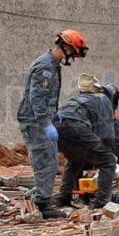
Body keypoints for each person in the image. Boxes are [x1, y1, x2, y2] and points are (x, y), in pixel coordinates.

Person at [17, 29, 88, 219]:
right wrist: (45, 122)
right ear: (66, 47)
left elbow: (48, 96)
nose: (73, 57)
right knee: (45, 161)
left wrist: (54, 116)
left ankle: (38, 197)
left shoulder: (53, 65)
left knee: (49, 159)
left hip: (41, 119)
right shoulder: (45, 66)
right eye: (73, 52)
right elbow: (37, 98)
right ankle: (42, 203)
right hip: (35, 121)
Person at [53, 84, 117, 210]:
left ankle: (64, 197)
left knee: (75, 161)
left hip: (57, 126)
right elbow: (106, 132)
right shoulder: (103, 100)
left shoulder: (84, 99)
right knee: (108, 161)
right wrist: (109, 151)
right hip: (75, 125)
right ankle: (101, 202)